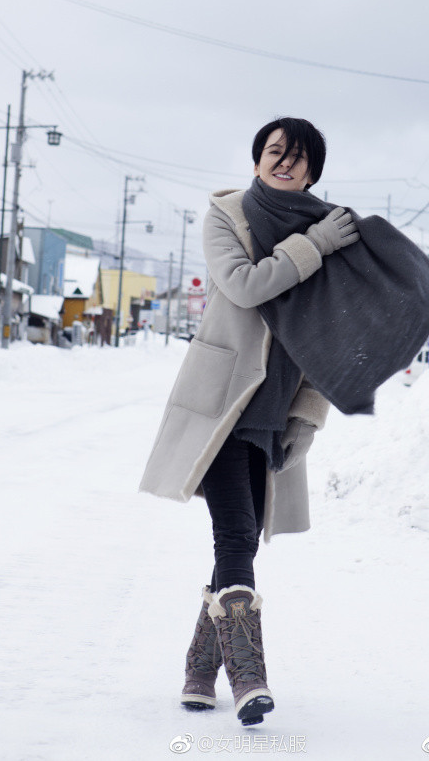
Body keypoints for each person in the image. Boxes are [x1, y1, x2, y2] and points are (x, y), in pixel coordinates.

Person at [139, 116, 361, 727]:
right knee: (235, 537)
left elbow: (326, 334)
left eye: (297, 157)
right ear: (257, 159)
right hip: (220, 406)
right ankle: (249, 677)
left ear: (314, 168)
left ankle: (197, 670)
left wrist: (307, 417)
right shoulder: (228, 216)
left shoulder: (331, 234)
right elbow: (243, 285)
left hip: (273, 410)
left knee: (236, 540)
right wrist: (313, 246)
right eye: (274, 152)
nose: (284, 163)